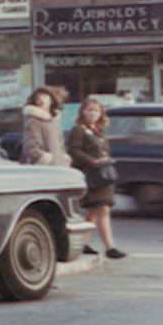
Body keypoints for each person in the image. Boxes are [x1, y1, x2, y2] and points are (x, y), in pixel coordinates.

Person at [67, 98, 126, 259]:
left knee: (93, 211)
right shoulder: (78, 130)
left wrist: (105, 158)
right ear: (82, 112)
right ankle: (110, 247)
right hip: (91, 175)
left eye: (96, 110)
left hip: (103, 175)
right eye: (89, 110)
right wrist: (91, 160)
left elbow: (104, 149)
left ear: (100, 113)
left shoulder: (98, 130)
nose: (92, 113)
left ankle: (83, 243)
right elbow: (74, 151)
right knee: (103, 209)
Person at [20, 86, 69, 166]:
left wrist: (64, 157)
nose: (41, 100)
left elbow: (61, 145)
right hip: (43, 169)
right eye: (38, 98)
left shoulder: (54, 120)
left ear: (51, 100)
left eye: (45, 97)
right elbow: (31, 147)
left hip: (59, 167)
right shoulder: (33, 121)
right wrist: (43, 158)